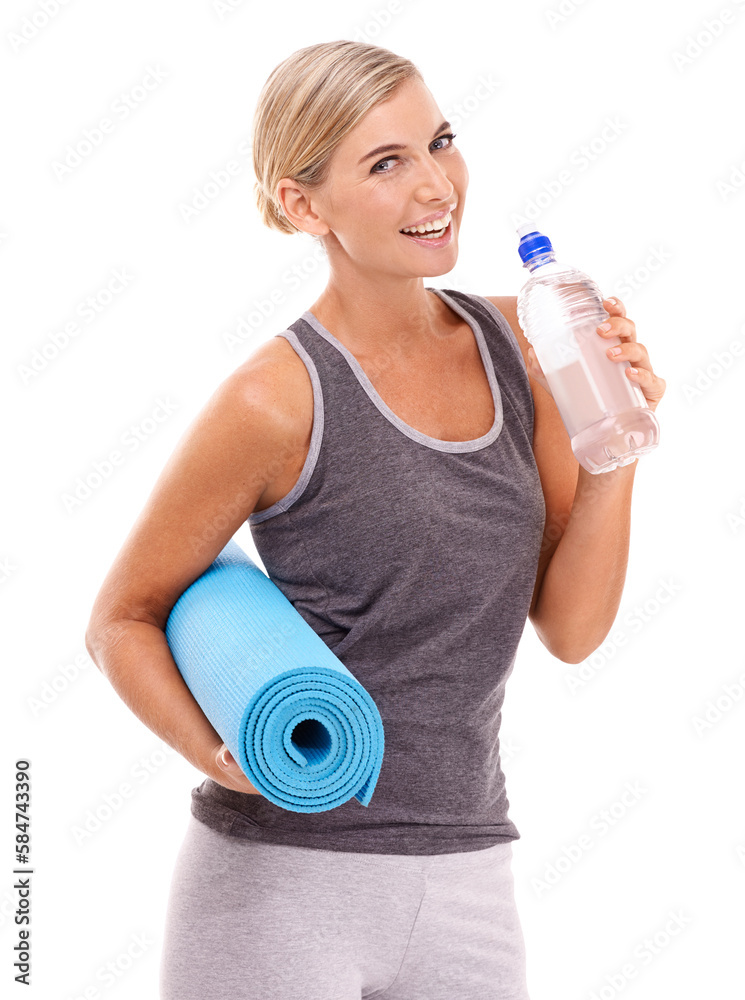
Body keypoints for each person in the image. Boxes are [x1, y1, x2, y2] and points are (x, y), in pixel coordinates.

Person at [85, 39, 666, 1000]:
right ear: (301, 204)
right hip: (279, 883)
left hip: (470, 871)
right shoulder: (274, 402)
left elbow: (569, 631)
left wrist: (615, 445)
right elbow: (121, 616)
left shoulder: (527, 340)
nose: (435, 184)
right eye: (385, 163)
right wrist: (225, 760)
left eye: (439, 142)